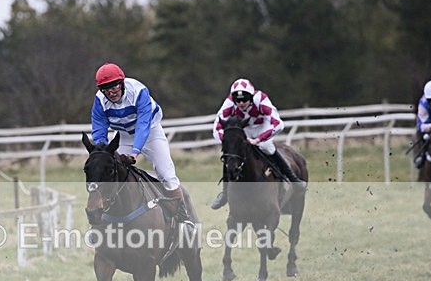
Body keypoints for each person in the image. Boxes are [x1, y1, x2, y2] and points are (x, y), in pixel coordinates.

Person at [90, 62, 195, 232]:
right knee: (110, 173)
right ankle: (106, 221)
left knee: (165, 173)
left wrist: (134, 153)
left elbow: (144, 125)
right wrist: (102, 151)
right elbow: (99, 128)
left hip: (151, 132)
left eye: (115, 86)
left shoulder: (138, 91)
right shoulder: (100, 100)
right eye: (105, 89)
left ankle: (185, 219)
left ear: (122, 83)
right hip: (124, 135)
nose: (111, 92)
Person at [210, 78, 303, 210]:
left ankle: (293, 179)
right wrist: (228, 142)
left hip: (262, 127)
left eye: (245, 99)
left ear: (252, 97)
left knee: (267, 148)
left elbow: (279, 124)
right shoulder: (229, 103)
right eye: (238, 100)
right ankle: (225, 193)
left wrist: (259, 139)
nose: (241, 103)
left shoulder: (261, 100)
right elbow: (216, 128)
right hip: (244, 130)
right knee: (232, 153)